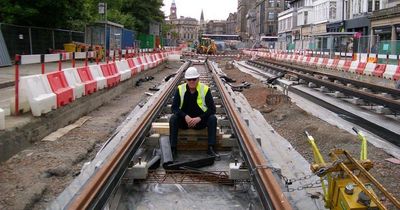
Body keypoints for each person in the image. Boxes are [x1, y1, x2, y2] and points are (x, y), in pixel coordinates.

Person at [169, 66, 220, 159]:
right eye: (189, 79)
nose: (192, 81)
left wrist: (199, 118)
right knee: (173, 118)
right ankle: (173, 149)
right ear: (186, 80)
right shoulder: (180, 89)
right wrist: (185, 116)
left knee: (212, 118)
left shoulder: (205, 89)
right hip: (185, 122)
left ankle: (211, 148)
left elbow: (212, 109)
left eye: (194, 79)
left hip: (199, 122)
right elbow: (174, 108)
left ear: (198, 79)